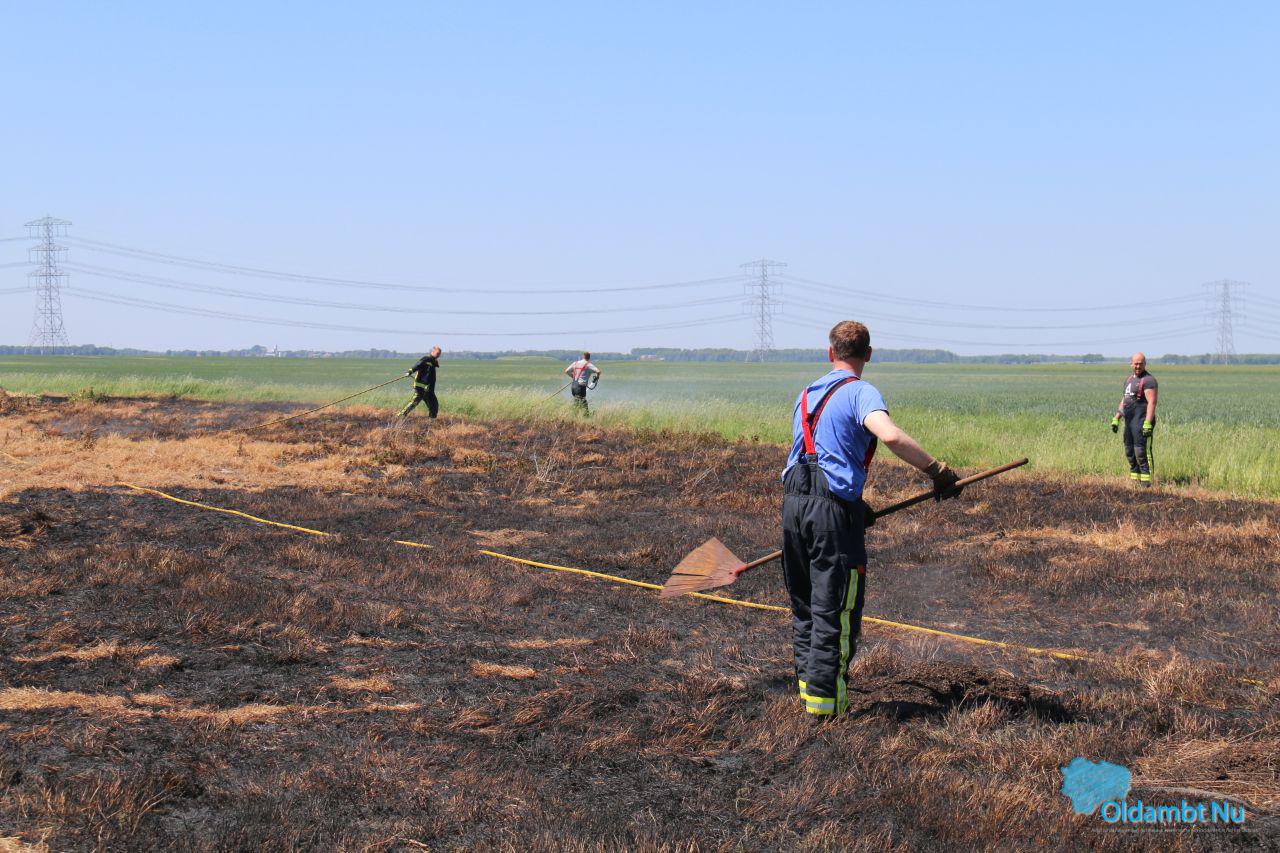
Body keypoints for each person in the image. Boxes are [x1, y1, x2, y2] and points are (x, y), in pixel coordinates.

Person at [782, 320, 961, 718]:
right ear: (868, 354)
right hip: (830, 513)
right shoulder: (861, 392)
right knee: (835, 609)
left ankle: (810, 699)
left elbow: (810, 455)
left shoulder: (807, 395)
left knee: (806, 608)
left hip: (794, 507)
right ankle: (826, 712)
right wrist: (937, 471)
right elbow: (890, 436)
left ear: (830, 353)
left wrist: (849, 503)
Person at [1110, 352, 1158, 485]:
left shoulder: (1148, 380)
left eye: (1140, 363)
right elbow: (1125, 400)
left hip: (1141, 422)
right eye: (1136, 363)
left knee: (1141, 451)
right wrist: (1116, 418)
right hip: (1129, 422)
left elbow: (1152, 402)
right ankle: (1135, 481)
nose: (1138, 366)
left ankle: (1147, 483)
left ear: (1145, 364)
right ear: (1131, 364)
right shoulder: (1129, 379)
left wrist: (1148, 422)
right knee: (1129, 451)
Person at [398, 346, 442, 418]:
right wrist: (409, 372)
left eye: (439, 354)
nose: (438, 355)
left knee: (434, 405)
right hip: (420, 386)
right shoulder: (426, 359)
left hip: (429, 389)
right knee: (415, 402)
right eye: (437, 353)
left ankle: (431, 421)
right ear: (433, 352)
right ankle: (400, 416)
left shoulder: (433, 362)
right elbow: (417, 365)